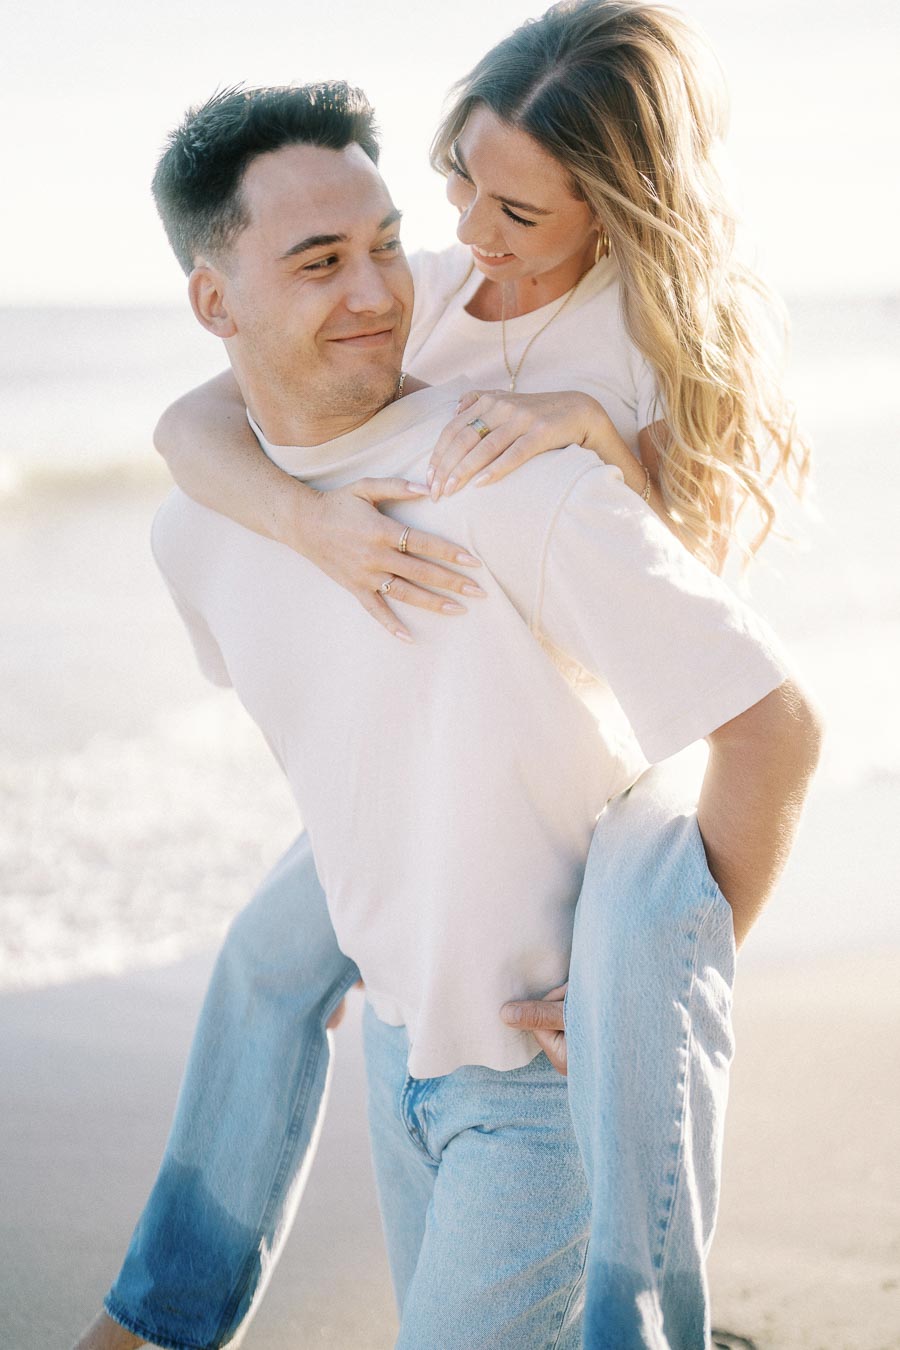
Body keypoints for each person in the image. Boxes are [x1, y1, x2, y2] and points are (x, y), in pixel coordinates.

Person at [75, 8, 819, 1350]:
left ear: (615, 210)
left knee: (606, 974)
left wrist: (656, 993)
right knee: (264, 962)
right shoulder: (416, 277)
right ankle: (160, 1315)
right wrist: (310, 524)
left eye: (515, 211)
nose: (465, 235)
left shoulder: (646, 359)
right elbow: (203, 410)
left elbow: (703, 633)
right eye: (457, 177)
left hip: (599, 758)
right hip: (469, 755)